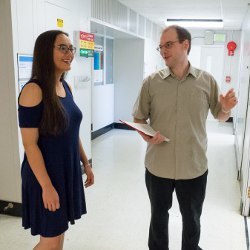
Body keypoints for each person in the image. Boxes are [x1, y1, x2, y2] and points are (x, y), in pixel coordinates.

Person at [132, 25, 237, 250]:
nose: (163, 50)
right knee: (158, 219)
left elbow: (219, 115)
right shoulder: (151, 82)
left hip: (194, 167)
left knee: (192, 220)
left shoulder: (206, 81)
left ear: (185, 45)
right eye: (161, 46)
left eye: (168, 45)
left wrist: (226, 108)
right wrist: (146, 136)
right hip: (158, 167)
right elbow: (138, 119)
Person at [18, 30, 94, 250]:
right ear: (45, 51)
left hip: (65, 171)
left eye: (71, 48)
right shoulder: (33, 90)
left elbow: (71, 132)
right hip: (44, 175)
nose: (69, 53)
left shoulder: (65, 87)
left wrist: (86, 164)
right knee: (50, 241)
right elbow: (29, 144)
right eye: (62, 47)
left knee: (58, 235)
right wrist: (47, 186)